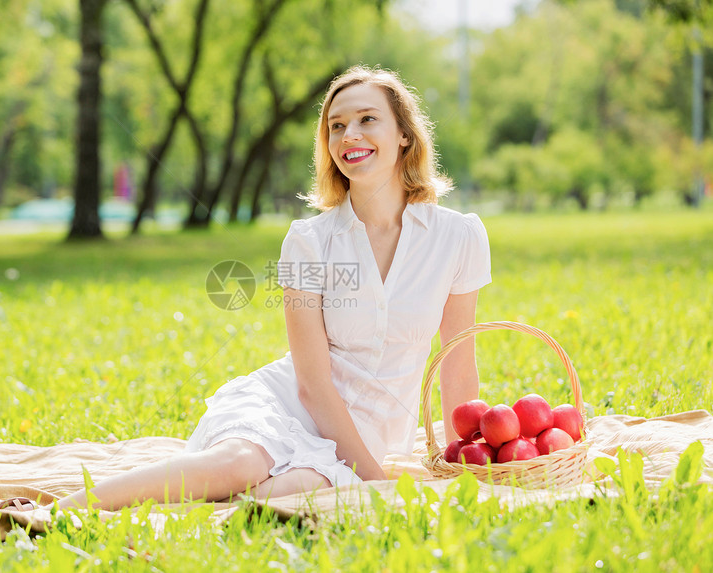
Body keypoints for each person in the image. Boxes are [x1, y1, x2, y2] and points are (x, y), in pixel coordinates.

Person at [53, 65, 491, 511]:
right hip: (283, 408)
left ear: (404, 134)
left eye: (367, 119)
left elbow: (457, 367)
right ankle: (52, 513)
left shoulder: (458, 238)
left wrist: (471, 466)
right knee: (239, 467)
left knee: (281, 493)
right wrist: (375, 483)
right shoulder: (308, 241)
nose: (348, 136)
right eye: (335, 127)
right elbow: (312, 384)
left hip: (368, 435)